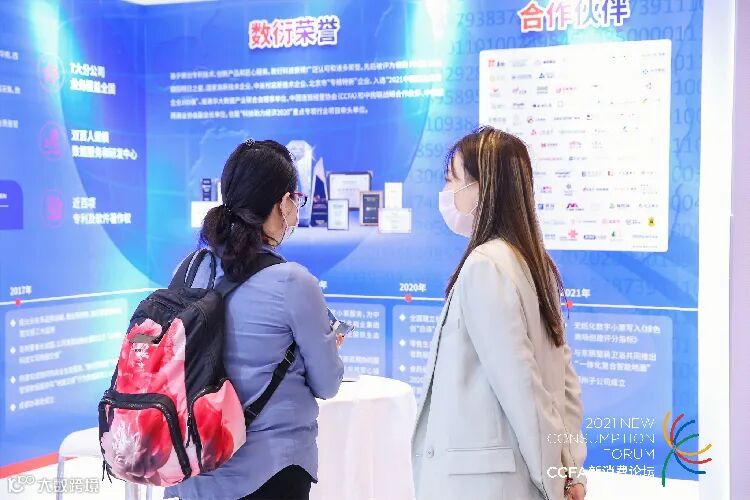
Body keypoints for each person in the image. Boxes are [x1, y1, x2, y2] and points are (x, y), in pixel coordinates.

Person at [412, 127, 587, 500]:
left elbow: (523, 388)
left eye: (452, 180)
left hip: (485, 486)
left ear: (482, 188)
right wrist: (570, 472)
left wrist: (557, 483)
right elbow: (565, 384)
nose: (445, 192)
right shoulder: (534, 263)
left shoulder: (486, 265)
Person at [164, 139, 344, 500]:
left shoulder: (190, 268)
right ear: (282, 203)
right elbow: (327, 384)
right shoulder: (294, 282)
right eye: (295, 199)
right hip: (271, 473)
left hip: (190, 473)